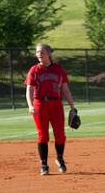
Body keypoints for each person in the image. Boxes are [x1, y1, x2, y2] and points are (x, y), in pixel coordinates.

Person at [25, 43, 76, 175]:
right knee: (43, 135)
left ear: (48, 53)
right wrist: (30, 105)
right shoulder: (34, 70)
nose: (39, 55)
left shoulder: (59, 70)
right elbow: (29, 89)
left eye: (41, 52)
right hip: (40, 105)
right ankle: (44, 165)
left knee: (60, 135)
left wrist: (72, 106)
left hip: (56, 105)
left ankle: (59, 158)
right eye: (37, 52)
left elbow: (65, 89)